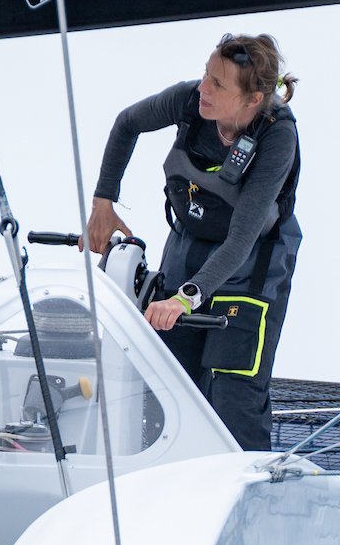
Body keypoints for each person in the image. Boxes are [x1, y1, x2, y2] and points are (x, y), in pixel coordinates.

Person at [86, 33, 300, 450]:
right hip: (188, 245)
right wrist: (103, 202)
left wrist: (185, 299)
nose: (203, 87)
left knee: (234, 395)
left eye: (217, 84)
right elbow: (127, 123)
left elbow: (241, 240)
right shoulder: (190, 101)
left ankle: (244, 480)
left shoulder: (277, 138)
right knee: (168, 386)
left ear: (253, 99)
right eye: (206, 74)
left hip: (252, 263)